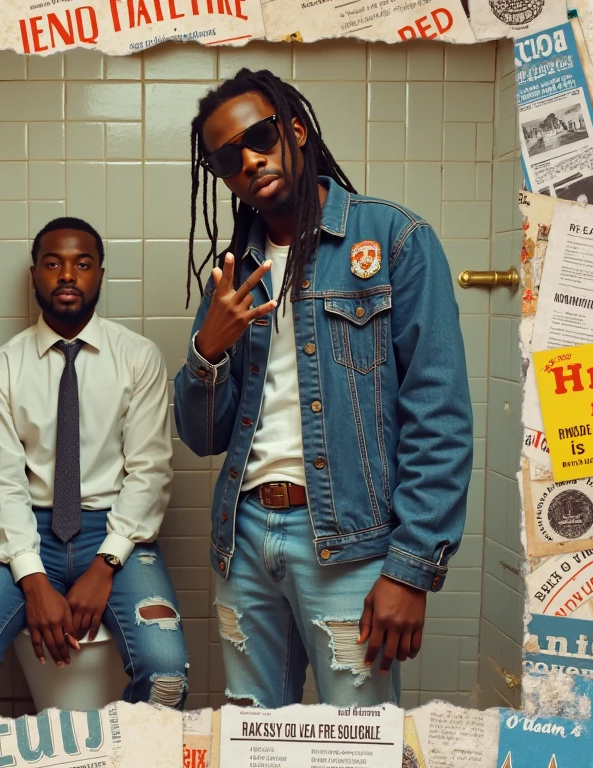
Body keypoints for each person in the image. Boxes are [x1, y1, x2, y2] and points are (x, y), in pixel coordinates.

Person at [174, 69, 474, 708]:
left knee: (356, 743)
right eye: (228, 158)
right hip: (246, 537)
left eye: (260, 137)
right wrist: (208, 350)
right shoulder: (235, 278)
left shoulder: (394, 240)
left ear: (297, 131)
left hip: (351, 544)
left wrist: (411, 568)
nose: (250, 160)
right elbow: (202, 438)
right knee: (256, 742)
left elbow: (438, 415)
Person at [0, 217, 189, 711]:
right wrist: (32, 580)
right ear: (34, 275)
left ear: (99, 275)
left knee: (165, 677)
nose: (67, 275)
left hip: (115, 532)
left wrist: (106, 564)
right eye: (53, 263)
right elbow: (0, 484)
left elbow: (150, 471)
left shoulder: (138, 358)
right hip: (28, 532)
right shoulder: (3, 367)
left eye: (82, 264)